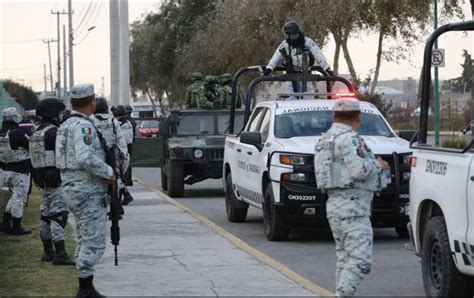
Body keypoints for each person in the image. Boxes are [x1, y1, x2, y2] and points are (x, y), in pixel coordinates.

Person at [314, 99, 390, 297]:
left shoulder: (326, 139)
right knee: (361, 261)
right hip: (353, 208)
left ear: (334, 117)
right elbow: (358, 170)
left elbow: (338, 173)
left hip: (336, 205)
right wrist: (378, 165)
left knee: (344, 258)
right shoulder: (349, 139)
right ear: (358, 118)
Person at [56, 84, 115, 297]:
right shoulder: (84, 126)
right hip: (87, 190)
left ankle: (85, 286)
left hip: (71, 188)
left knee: (83, 237)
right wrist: (108, 172)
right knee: (94, 241)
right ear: (92, 102)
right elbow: (85, 157)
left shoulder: (65, 125)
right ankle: (86, 289)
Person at [30, 98, 75, 265]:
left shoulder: (36, 132)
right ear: (53, 113)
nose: (61, 115)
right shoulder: (55, 132)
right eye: (60, 112)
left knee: (45, 216)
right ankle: (60, 253)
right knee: (58, 215)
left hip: (42, 180)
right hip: (57, 179)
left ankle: (47, 251)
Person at [263, 21, 334, 99]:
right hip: (291, 76)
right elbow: (275, 59)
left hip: (306, 76)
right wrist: (268, 69)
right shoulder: (285, 45)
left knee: (307, 99)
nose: (293, 37)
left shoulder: (307, 42)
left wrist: (328, 69)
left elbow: (319, 55)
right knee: (292, 99)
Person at [92, 98, 133, 206]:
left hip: (99, 155)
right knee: (117, 176)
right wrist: (123, 156)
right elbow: (121, 140)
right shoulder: (113, 121)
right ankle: (119, 200)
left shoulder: (91, 121)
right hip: (114, 154)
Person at [0, 107, 32, 235]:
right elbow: (31, 146)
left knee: (14, 196)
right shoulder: (18, 133)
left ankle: (5, 223)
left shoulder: (1, 133)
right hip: (20, 171)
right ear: (14, 118)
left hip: (4, 170)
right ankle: (17, 226)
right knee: (20, 198)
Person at [112, 105, 134, 186]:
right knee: (123, 172)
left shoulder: (114, 123)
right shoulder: (129, 124)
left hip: (118, 150)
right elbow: (131, 140)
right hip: (126, 150)